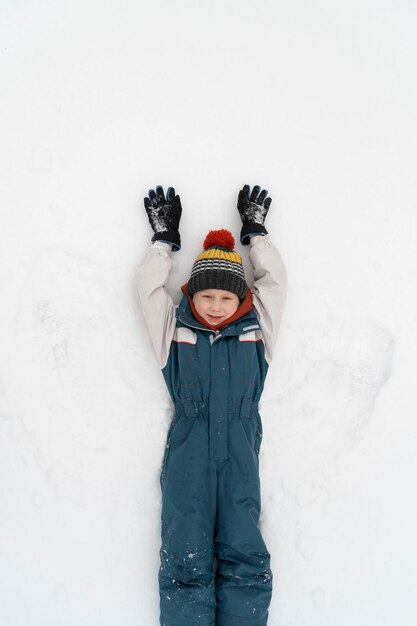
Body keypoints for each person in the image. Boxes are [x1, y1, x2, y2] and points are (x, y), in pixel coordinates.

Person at [136, 184, 287, 626]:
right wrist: (164, 243)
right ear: (191, 296)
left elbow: (275, 284)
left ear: (241, 298)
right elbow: (147, 292)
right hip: (188, 452)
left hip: (240, 451)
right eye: (206, 297)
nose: (216, 306)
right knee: (185, 554)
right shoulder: (174, 331)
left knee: (245, 551)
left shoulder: (257, 331)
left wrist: (256, 236)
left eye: (226, 298)